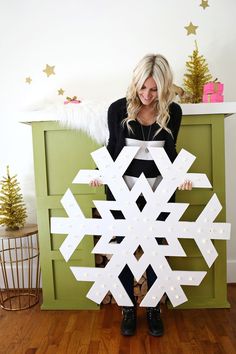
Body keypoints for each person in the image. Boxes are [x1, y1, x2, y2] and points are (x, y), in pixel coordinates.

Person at [90, 54, 192, 337]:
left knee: (157, 247)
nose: (147, 95)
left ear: (165, 86)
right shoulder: (117, 109)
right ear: (135, 84)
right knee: (123, 250)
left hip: (159, 191)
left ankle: (153, 308)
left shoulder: (173, 111)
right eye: (142, 88)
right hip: (123, 191)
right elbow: (112, 149)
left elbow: (170, 153)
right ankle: (127, 308)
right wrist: (101, 173)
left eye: (154, 89)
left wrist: (179, 177)